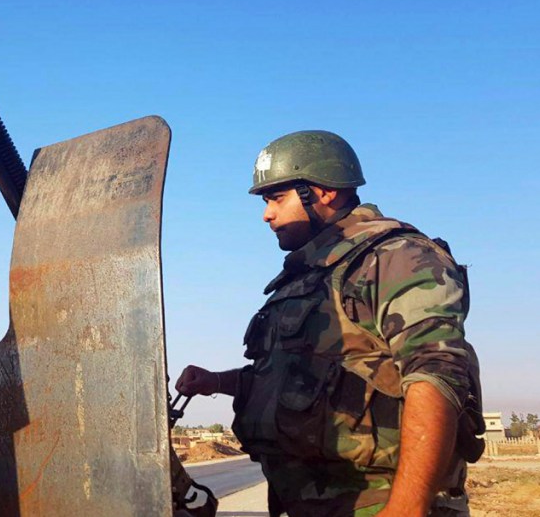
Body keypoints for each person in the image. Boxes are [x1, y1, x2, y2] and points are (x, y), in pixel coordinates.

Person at [176, 130, 480, 517]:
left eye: (277, 198)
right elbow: (294, 381)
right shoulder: (309, 274)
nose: (266, 214)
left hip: (379, 502)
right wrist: (216, 382)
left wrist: (407, 507)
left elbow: (436, 376)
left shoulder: (396, 256)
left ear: (324, 192)